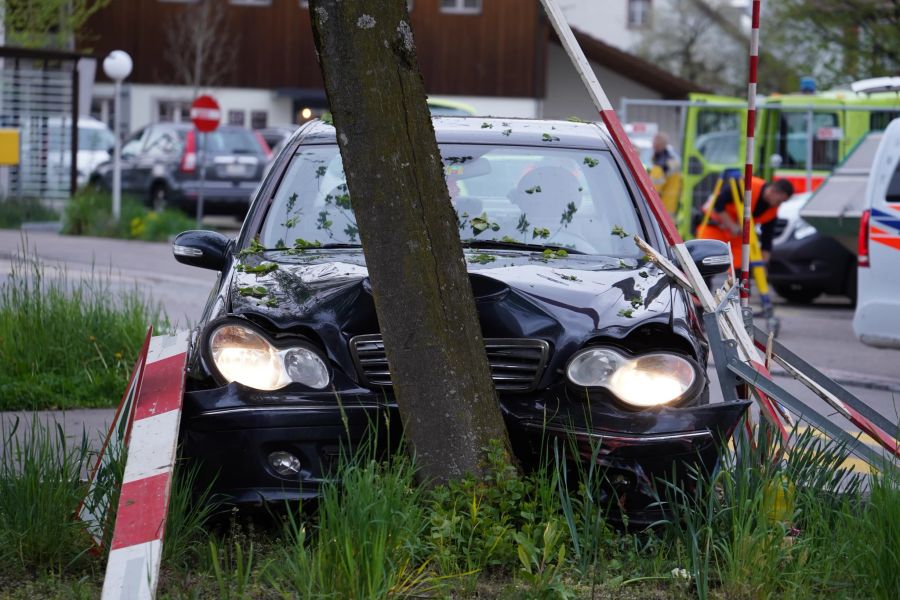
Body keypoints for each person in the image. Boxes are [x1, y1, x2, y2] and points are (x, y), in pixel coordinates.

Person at [696, 176, 794, 269]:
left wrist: (764, 262)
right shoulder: (747, 186)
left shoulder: (772, 211)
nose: (779, 204)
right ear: (773, 191)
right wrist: (731, 225)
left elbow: (767, 237)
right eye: (779, 201)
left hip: (737, 236)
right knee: (706, 265)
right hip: (713, 227)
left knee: (741, 270)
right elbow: (718, 203)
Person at [649, 133, 681, 216]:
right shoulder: (673, 161)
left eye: (653, 143)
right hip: (673, 207)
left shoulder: (659, 166)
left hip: (661, 211)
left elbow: (652, 191)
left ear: (657, 146)